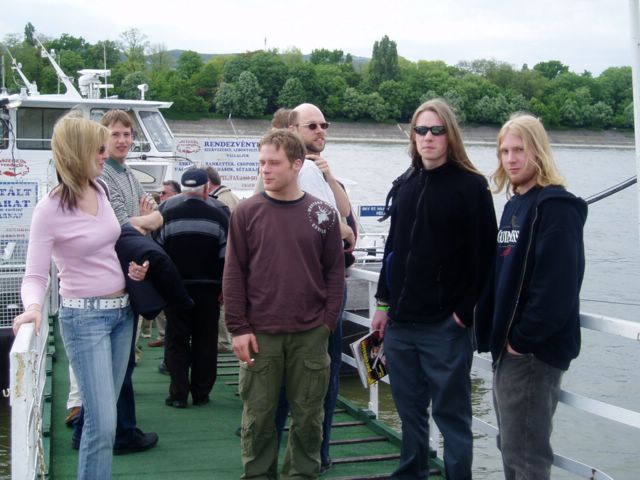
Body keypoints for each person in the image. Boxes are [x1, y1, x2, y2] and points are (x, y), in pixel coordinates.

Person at [12, 113, 148, 479]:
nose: (106, 154)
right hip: (85, 320)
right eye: (99, 149)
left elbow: (109, 246)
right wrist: (34, 307)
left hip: (122, 313)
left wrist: (132, 271)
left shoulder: (100, 190)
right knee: (102, 426)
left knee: (107, 418)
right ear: (78, 152)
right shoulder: (49, 209)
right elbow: (35, 274)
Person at [372, 99, 497, 480]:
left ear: (450, 135)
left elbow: (485, 259)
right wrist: (383, 304)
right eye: (421, 130)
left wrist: (463, 315)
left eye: (437, 130)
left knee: (451, 414)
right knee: (409, 411)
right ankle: (411, 473)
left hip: (445, 326)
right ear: (413, 135)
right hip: (401, 323)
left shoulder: (471, 187)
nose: (428, 137)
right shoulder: (406, 184)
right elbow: (393, 248)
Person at [223, 129, 344, 478]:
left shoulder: (323, 213)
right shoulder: (246, 212)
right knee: (258, 417)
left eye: (274, 163)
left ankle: (302, 474)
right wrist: (238, 328)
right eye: (262, 162)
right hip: (260, 333)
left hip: (310, 333)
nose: (265, 169)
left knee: (309, 417)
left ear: (296, 164)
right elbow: (234, 273)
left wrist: (327, 323)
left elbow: (334, 273)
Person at [476, 114, 587, 480]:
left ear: (538, 151)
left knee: (526, 455)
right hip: (506, 352)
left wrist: (521, 342)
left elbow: (557, 288)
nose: (510, 159)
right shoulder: (514, 205)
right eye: (504, 151)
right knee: (510, 447)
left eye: (519, 150)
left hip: (532, 355)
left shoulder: (557, 208)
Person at [72, 109, 159, 454]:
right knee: (116, 365)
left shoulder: (128, 173)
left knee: (118, 364)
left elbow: (149, 216)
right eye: (115, 134)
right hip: (113, 277)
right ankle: (120, 432)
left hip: (126, 273)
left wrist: (145, 219)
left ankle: (98, 428)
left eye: (127, 134)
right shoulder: (105, 176)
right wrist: (147, 219)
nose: (122, 141)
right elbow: (125, 225)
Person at [156, 168, 229, 407]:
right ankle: (201, 393)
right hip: (209, 290)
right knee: (205, 341)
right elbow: (225, 257)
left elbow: (159, 254)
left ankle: (178, 395)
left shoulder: (166, 214)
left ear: (183, 190)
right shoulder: (220, 215)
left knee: (176, 341)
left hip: (176, 289)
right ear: (207, 189)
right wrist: (223, 286)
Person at [205, 166, 240, 353]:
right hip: (233, 254)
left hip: (225, 256)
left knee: (222, 301)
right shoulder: (231, 196)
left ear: (207, 183)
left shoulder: (219, 201)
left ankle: (223, 342)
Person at [147, 180, 182, 349]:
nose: (160, 196)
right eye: (160, 193)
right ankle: (163, 336)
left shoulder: (175, 213)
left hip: (177, 271)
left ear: (176, 194)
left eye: (164, 193)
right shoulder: (158, 213)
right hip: (163, 267)